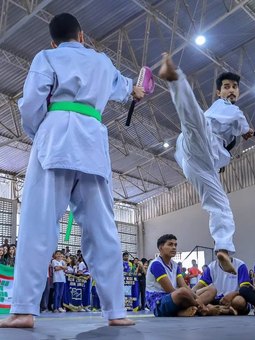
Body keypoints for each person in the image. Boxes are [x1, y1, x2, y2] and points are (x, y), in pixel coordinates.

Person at [0, 12, 144, 328]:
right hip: (92, 142)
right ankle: (116, 311)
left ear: (54, 41)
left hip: (55, 138)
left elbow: (30, 103)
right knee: (102, 228)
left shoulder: (46, 56)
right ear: (82, 36)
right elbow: (129, 90)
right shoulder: (103, 62)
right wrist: (139, 89)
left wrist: (41, 132)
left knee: (38, 224)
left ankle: (24, 309)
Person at [159, 53, 255, 274]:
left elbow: (236, 128)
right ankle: (175, 79)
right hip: (205, 144)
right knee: (194, 121)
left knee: (221, 206)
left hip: (199, 165)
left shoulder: (228, 111)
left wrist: (244, 132)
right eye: (227, 86)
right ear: (218, 92)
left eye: (235, 87)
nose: (231, 90)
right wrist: (247, 130)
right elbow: (241, 123)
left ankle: (223, 248)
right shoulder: (228, 107)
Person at [146, 234, 204, 317]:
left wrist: (197, 297)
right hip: (159, 302)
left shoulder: (175, 265)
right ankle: (203, 308)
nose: (174, 247)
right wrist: (199, 302)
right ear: (160, 248)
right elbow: (170, 290)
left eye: (175, 245)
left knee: (210, 290)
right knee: (182, 292)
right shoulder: (156, 264)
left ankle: (184, 311)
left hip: (173, 298)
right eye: (170, 244)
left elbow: (184, 285)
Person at [192, 251, 251, 315]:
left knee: (239, 301)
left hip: (233, 299)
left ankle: (215, 309)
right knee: (209, 291)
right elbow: (199, 286)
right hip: (217, 299)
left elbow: (245, 289)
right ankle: (225, 310)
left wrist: (232, 295)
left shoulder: (240, 265)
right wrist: (189, 294)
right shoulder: (211, 266)